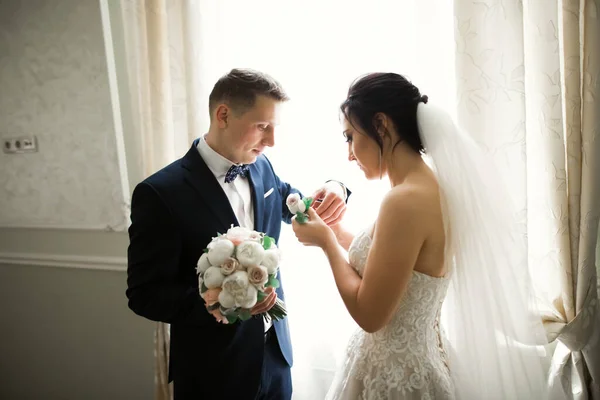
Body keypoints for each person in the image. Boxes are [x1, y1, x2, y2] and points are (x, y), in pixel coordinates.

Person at [292, 72, 550, 399]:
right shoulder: (431, 188)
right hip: (417, 362)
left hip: (393, 378)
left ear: (381, 124)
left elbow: (370, 315)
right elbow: (400, 263)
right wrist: (336, 231)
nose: (349, 154)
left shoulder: (404, 201)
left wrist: (326, 245)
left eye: (349, 137)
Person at [126, 68, 349, 400]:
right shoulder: (160, 193)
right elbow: (144, 294)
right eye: (262, 127)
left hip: (275, 357)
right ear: (223, 115)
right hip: (213, 368)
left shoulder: (263, 166)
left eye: (274, 128)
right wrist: (223, 303)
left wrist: (337, 187)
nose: (271, 141)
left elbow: (294, 202)